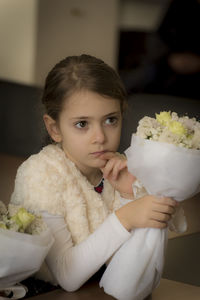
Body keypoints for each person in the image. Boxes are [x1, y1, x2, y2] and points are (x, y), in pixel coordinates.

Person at [10, 54, 178, 294]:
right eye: (82, 124)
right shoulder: (39, 177)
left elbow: (132, 267)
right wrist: (126, 217)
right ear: (54, 128)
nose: (100, 137)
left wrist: (129, 195)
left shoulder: (120, 169)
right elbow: (66, 277)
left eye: (110, 120)